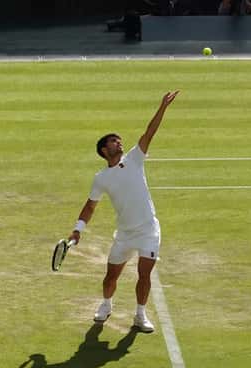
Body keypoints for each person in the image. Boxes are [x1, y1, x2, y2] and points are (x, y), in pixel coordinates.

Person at [69, 90, 180, 333]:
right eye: (113, 141)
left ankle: (140, 315)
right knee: (111, 277)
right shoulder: (101, 179)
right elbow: (90, 206)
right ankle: (107, 305)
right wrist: (78, 230)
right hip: (125, 234)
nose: (119, 142)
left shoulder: (134, 159)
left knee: (144, 273)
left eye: (119, 140)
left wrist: (163, 107)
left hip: (149, 230)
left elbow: (149, 132)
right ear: (103, 151)